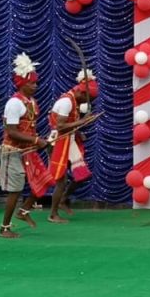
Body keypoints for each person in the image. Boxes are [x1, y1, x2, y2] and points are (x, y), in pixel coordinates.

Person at [0, 53, 55, 237]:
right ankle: (4, 228)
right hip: (13, 151)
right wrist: (36, 141)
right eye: (32, 83)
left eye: (36, 83)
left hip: (27, 150)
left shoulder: (31, 102)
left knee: (44, 180)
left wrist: (38, 140)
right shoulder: (14, 103)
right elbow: (12, 132)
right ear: (22, 84)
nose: (35, 86)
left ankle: (23, 211)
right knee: (15, 190)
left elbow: (28, 129)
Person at [46, 69, 98, 223]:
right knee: (61, 180)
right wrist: (82, 121)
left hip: (69, 142)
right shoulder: (66, 102)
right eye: (87, 99)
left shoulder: (74, 101)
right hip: (58, 143)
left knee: (82, 174)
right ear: (82, 93)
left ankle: (63, 199)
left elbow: (70, 125)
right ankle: (53, 214)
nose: (86, 103)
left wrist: (78, 132)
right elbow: (60, 126)